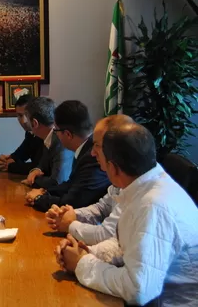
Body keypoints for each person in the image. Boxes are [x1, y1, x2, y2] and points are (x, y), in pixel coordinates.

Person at [55, 123, 198, 306]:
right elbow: (125, 243)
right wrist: (86, 252)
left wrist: (82, 263)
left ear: (113, 168)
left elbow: (138, 290)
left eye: (98, 149)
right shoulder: (144, 184)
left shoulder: (153, 206)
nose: (92, 154)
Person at [45, 114, 134, 245]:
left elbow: (108, 234)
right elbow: (102, 208)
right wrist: (72, 215)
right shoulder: (120, 178)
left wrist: (70, 225)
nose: (92, 152)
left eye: (96, 145)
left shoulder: (135, 184)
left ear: (114, 149)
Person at [24, 101, 110, 212]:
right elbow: (70, 184)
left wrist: (39, 198)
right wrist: (45, 192)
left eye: (56, 130)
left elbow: (73, 203)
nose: (55, 134)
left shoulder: (92, 157)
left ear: (68, 134)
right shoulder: (85, 148)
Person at [21, 97, 73, 188]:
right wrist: (36, 170)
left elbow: (57, 181)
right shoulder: (49, 137)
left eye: (27, 119)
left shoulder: (60, 142)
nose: (25, 122)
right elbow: (43, 164)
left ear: (35, 123)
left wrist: (33, 181)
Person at [0, 94, 44, 173]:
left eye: (27, 115)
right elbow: (21, 154)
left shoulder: (43, 134)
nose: (24, 121)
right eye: (20, 115)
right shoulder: (30, 133)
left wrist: (10, 166)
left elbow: (39, 166)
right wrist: (6, 160)